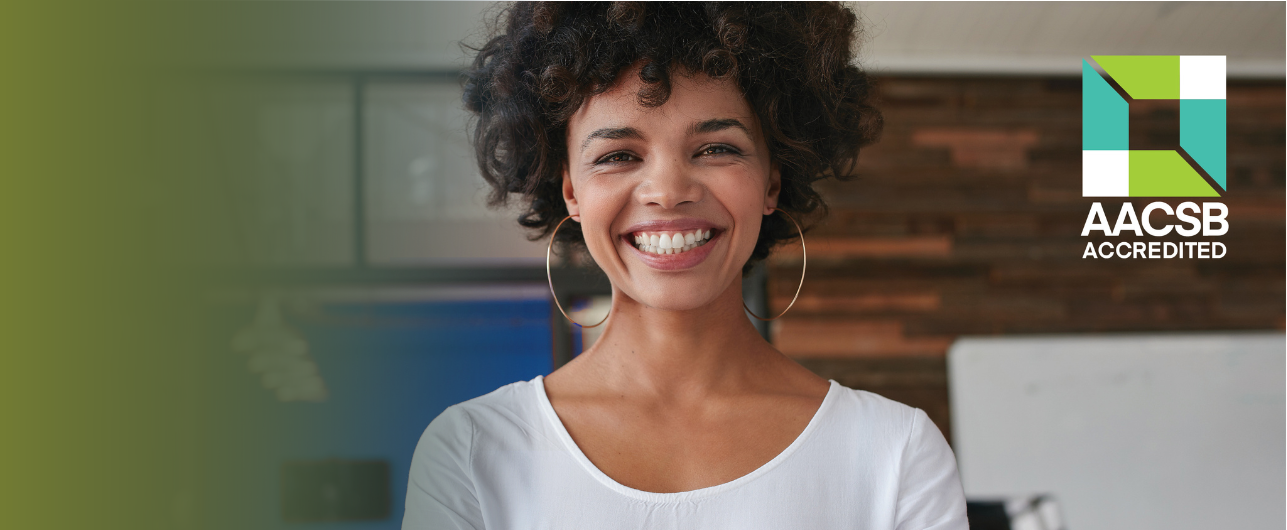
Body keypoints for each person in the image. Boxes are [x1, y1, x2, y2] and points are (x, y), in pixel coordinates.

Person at [402, 3, 968, 528]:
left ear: (771, 180)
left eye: (717, 147)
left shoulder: (895, 453)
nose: (668, 191)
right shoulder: (473, 450)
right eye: (618, 155)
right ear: (571, 191)